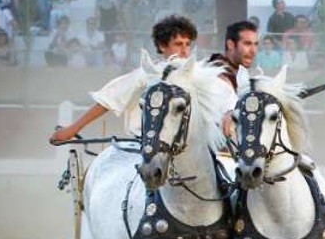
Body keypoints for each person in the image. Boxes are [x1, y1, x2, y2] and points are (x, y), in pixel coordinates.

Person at [49, 15, 224, 144]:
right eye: (178, 44)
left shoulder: (200, 75)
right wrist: (72, 129)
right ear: (162, 46)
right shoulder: (146, 75)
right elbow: (108, 100)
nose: (185, 51)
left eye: (188, 44)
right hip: (146, 146)